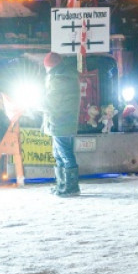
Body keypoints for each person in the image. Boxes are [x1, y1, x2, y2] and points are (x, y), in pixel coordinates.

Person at [40, 52, 82, 197]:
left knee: (65, 154)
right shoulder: (64, 76)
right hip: (62, 121)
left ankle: (71, 187)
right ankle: (62, 185)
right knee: (59, 154)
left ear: (50, 66)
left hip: (61, 122)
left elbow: (51, 102)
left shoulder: (59, 79)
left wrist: (34, 104)